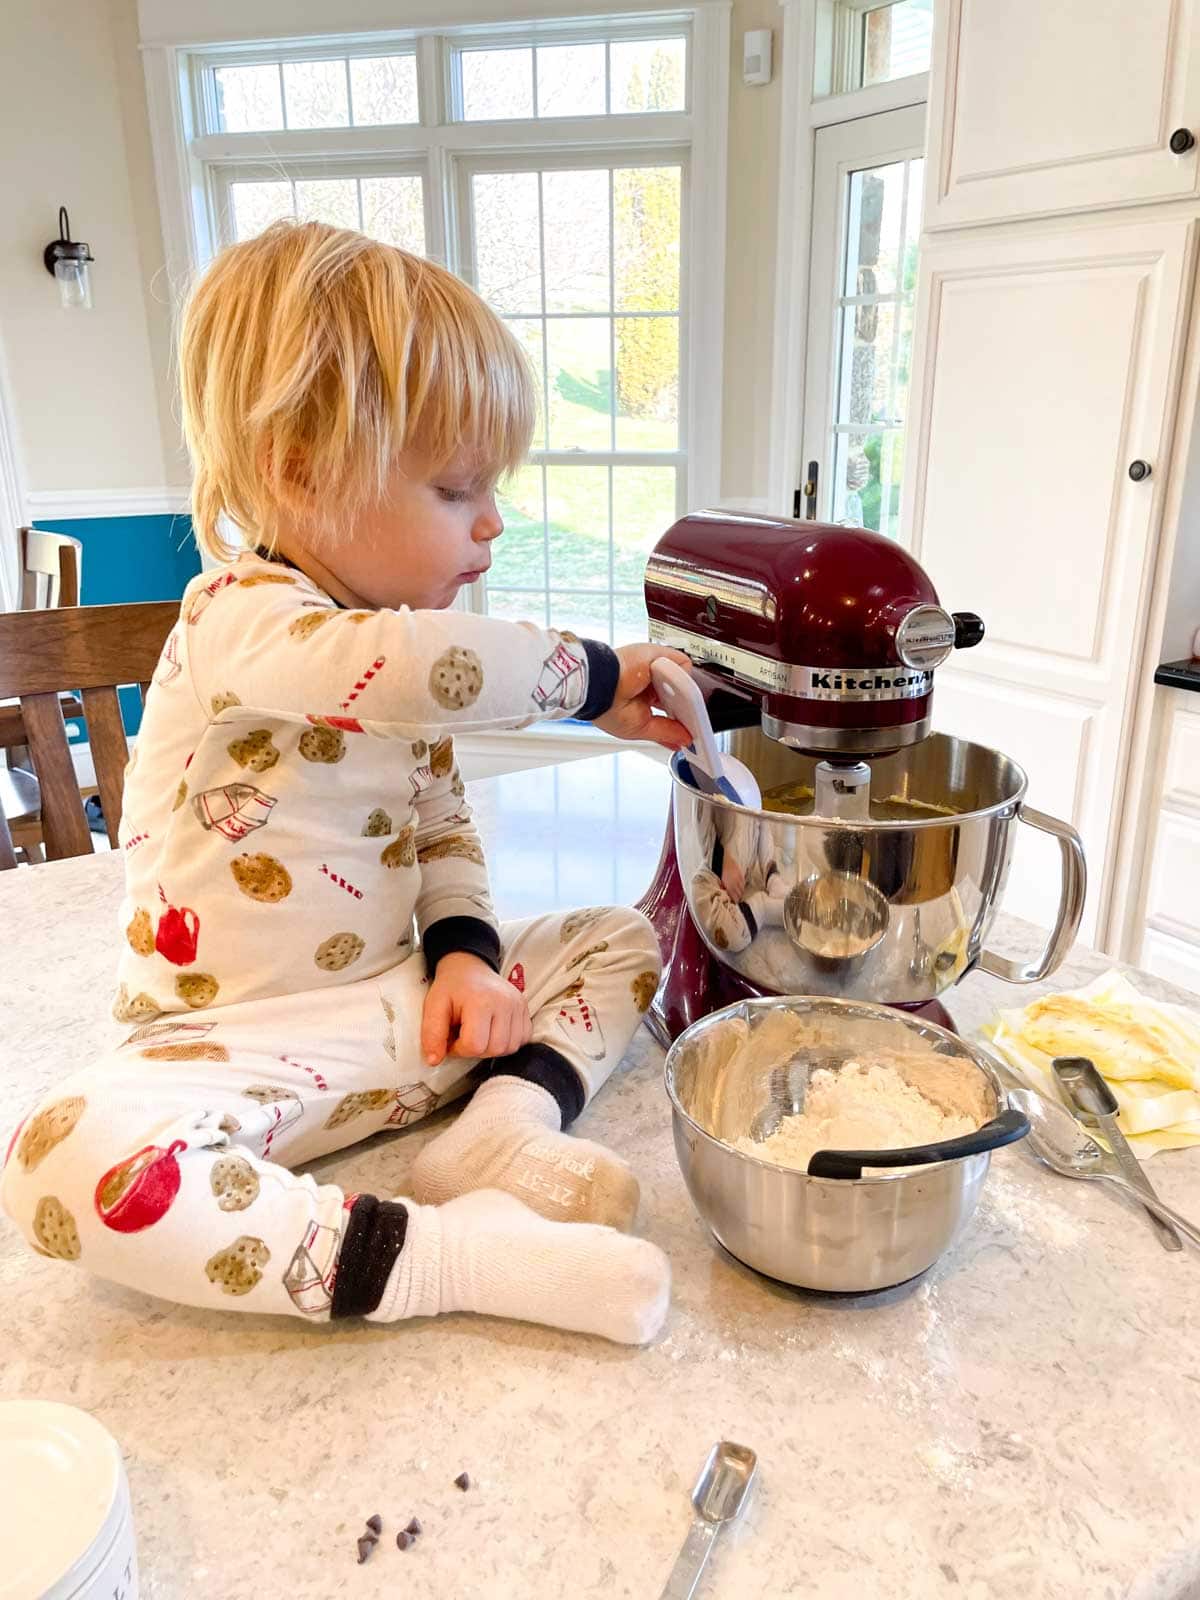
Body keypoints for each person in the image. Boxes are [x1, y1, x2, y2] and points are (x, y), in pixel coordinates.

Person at [1, 221, 694, 1345]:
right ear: (306, 471)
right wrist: (599, 675)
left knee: (619, 936)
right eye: (455, 485)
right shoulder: (243, 620)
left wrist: (466, 954)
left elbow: (442, 825)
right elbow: (416, 671)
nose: (493, 521)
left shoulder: (400, 666)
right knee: (57, 1156)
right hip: (236, 1051)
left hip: (408, 1021)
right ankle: (450, 1256)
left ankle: (503, 1127)